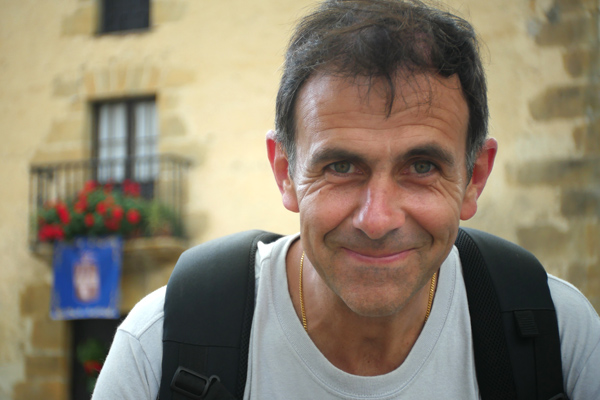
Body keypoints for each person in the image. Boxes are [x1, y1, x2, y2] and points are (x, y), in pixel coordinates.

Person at [92, 0, 600, 398]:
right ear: (286, 172)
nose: (377, 220)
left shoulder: (558, 334)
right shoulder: (158, 346)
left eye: (422, 167)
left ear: (474, 178)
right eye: (341, 167)